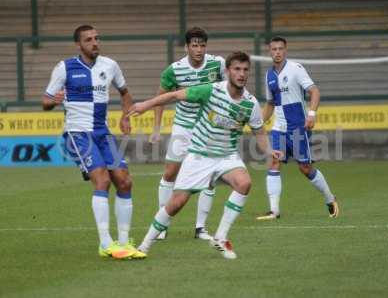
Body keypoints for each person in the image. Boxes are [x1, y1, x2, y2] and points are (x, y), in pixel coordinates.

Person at [128, 51, 271, 259]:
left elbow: (259, 132)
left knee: (244, 182)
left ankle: (221, 236)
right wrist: (145, 105)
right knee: (176, 203)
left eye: (245, 70)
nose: (241, 74)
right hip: (199, 156)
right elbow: (174, 95)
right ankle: (144, 245)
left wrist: (269, 151)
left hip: (226, 157)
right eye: (237, 69)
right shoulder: (211, 90)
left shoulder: (251, 103)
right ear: (227, 71)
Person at [42, 25, 146, 259]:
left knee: (125, 181)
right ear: (79, 45)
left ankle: (124, 242)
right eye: (89, 40)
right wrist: (54, 100)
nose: (95, 42)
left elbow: (125, 92)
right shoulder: (64, 67)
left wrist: (125, 115)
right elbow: (45, 101)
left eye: (97, 38)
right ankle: (105, 243)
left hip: (103, 133)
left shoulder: (110, 65)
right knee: (102, 180)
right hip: (78, 133)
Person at [149, 27, 226, 240]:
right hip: (183, 127)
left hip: (209, 127)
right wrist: (157, 128)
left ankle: (201, 228)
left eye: (202, 45)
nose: (199, 49)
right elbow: (161, 97)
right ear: (187, 47)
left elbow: (227, 88)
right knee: (170, 173)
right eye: (195, 45)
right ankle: (162, 225)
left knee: (210, 177)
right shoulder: (174, 70)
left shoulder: (217, 64)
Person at [256, 36, 339, 221]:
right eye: (273, 49)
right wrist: (258, 123)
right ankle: (274, 210)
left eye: (280, 49)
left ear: (285, 50)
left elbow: (314, 91)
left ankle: (330, 198)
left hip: (298, 127)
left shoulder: (296, 69)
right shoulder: (269, 75)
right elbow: (270, 104)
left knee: (305, 168)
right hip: (279, 128)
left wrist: (311, 114)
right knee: (274, 161)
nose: (277, 52)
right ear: (270, 52)